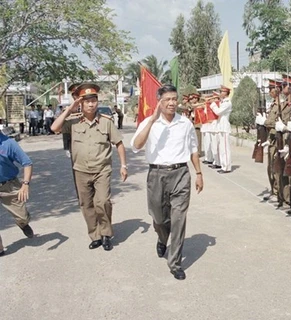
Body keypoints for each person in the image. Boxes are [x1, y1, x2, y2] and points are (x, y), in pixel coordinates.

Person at [131, 84, 203, 281]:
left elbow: (193, 149)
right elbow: (136, 146)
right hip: (157, 175)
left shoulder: (185, 123)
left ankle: (175, 263)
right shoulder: (149, 122)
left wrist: (198, 173)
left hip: (180, 173)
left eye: (174, 99)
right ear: (159, 102)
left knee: (179, 218)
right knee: (159, 218)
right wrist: (152, 120)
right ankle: (162, 238)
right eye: (167, 100)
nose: (172, 103)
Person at [51, 83, 128, 251]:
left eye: (93, 101)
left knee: (102, 202)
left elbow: (119, 143)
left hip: (102, 170)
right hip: (80, 170)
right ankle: (95, 235)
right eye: (87, 102)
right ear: (81, 103)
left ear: (97, 102)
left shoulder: (106, 122)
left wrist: (123, 165)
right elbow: (54, 127)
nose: (91, 104)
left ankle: (106, 234)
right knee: (86, 204)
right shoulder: (73, 122)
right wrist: (70, 108)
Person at [0, 130, 35, 256]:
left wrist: (25, 184)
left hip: (8, 185)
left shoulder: (9, 143)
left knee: (22, 216)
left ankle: (23, 223)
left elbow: (27, 163)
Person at [211, 85, 232, 173]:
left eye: (221, 92)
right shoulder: (223, 102)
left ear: (225, 93)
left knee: (225, 149)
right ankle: (223, 165)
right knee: (221, 149)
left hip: (224, 127)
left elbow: (218, 112)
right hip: (220, 127)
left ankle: (226, 167)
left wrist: (213, 105)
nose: (220, 93)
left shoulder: (227, 103)